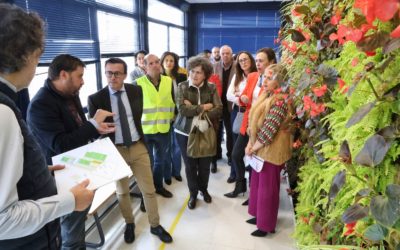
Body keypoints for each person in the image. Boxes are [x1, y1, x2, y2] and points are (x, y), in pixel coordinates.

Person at [0, 4, 93, 249]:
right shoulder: (4, 112)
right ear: (23, 55)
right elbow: (3, 219)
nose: (36, 66)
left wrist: (36, 170)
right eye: (37, 57)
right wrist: (69, 201)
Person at [27, 54, 115, 249]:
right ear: (64, 74)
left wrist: (95, 128)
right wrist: (92, 123)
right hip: (62, 179)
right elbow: (61, 144)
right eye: (80, 76)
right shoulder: (41, 105)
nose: (83, 82)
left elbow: (77, 127)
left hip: (81, 169)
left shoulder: (70, 94)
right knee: (72, 234)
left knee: (77, 225)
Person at [87, 58, 173, 244]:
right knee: (122, 192)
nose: (112, 77)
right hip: (115, 151)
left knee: (148, 190)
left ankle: (155, 225)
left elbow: (137, 116)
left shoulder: (136, 90)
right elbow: (94, 130)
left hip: (138, 146)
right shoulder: (96, 99)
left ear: (125, 75)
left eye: (117, 73)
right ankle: (129, 223)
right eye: (109, 73)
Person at [245, 64, 293, 237]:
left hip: (271, 152)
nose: (264, 80)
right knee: (257, 185)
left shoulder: (280, 100)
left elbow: (268, 131)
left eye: (269, 77)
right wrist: (250, 144)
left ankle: (266, 225)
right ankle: (259, 216)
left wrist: (253, 147)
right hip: (259, 149)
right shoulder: (267, 94)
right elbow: (254, 123)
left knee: (268, 191)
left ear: (279, 81)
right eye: (264, 76)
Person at [225, 47, 277, 199]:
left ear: (271, 62)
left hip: (261, 126)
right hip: (247, 123)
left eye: (261, 61)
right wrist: (243, 99)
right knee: (236, 155)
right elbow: (243, 96)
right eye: (257, 61)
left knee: (255, 162)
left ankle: (253, 194)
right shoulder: (253, 76)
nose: (258, 64)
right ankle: (240, 184)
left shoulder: (275, 80)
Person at [174, 56, 222, 210]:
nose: (194, 75)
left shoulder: (212, 87)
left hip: (204, 131)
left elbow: (219, 109)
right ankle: (193, 193)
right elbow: (182, 110)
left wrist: (194, 108)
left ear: (205, 74)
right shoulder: (181, 87)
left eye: (199, 73)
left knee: (204, 166)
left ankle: (204, 189)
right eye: (192, 71)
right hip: (184, 132)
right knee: (189, 166)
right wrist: (203, 107)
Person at [134, 54, 175, 198]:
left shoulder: (168, 81)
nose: (156, 65)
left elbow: (172, 102)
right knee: (146, 164)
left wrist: (171, 118)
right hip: (145, 130)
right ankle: (147, 193)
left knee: (160, 161)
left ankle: (158, 187)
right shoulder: (137, 83)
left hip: (164, 128)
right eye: (151, 63)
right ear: (144, 66)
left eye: (157, 62)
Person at [225, 51, 257, 183]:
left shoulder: (257, 76)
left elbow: (254, 98)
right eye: (240, 60)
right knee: (235, 146)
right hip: (237, 113)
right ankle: (235, 175)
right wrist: (240, 98)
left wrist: (241, 96)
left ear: (251, 60)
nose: (243, 62)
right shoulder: (237, 77)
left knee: (249, 146)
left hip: (250, 115)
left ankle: (250, 176)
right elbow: (229, 95)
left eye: (245, 59)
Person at [160, 51, 187, 184]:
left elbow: (185, 94)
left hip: (179, 116)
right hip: (164, 116)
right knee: (166, 147)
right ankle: (166, 174)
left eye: (172, 61)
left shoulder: (182, 76)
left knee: (177, 146)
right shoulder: (158, 78)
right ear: (162, 62)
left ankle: (176, 172)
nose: (169, 63)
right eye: (166, 60)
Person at [212, 45, 236, 172]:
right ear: (219, 55)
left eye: (227, 53)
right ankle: (216, 156)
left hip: (231, 105)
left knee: (230, 132)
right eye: (223, 54)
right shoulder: (214, 66)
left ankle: (231, 156)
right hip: (217, 105)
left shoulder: (237, 66)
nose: (225, 56)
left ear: (231, 54)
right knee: (215, 132)